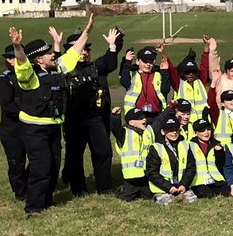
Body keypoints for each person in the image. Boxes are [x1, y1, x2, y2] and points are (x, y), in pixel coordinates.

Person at [8, 16, 94, 215]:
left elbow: (74, 53)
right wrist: (17, 46)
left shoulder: (57, 69)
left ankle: (46, 201)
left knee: (53, 165)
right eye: (48, 53)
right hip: (34, 129)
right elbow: (21, 62)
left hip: (53, 127)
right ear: (39, 59)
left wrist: (87, 31)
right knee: (41, 167)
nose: (53, 55)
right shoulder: (29, 76)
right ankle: (34, 207)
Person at [61, 25, 122, 196]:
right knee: (75, 154)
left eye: (87, 50)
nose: (85, 53)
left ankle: (104, 186)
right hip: (73, 118)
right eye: (81, 50)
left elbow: (110, 63)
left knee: (103, 150)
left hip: (93, 117)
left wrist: (112, 45)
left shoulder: (93, 67)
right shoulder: (64, 70)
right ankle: (78, 188)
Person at [0, 44, 28, 201]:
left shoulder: (29, 75)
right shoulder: (4, 80)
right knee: (17, 162)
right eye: (15, 57)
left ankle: (30, 184)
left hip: (29, 126)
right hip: (12, 129)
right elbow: (8, 106)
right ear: (9, 59)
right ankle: (21, 192)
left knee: (39, 159)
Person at [146, 115, 197, 205]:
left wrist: (184, 184)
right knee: (171, 203)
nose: (174, 133)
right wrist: (169, 187)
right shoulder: (156, 147)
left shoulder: (185, 145)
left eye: (176, 130)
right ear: (162, 131)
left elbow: (191, 167)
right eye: (170, 130)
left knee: (191, 201)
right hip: (163, 189)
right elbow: (152, 172)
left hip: (181, 187)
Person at [112, 107, 153, 201]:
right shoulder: (125, 134)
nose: (144, 120)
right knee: (127, 197)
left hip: (145, 175)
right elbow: (116, 129)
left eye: (144, 117)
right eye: (140, 118)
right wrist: (115, 117)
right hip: (131, 177)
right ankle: (121, 190)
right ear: (131, 123)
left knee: (148, 197)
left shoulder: (146, 132)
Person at [121, 43, 170, 120]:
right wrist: (127, 62)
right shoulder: (132, 74)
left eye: (150, 62)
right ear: (137, 61)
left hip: (156, 115)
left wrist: (165, 72)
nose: (148, 64)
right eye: (145, 61)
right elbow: (124, 82)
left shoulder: (158, 74)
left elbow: (166, 90)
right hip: (136, 115)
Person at [187, 119, 228, 199]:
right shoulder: (190, 146)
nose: (206, 132)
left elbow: (221, 165)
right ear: (195, 133)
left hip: (216, 180)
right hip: (199, 182)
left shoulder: (217, 144)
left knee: (227, 193)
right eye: (202, 130)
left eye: (208, 129)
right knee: (208, 195)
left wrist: (219, 153)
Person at [169, 50, 208, 126]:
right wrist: (164, 55)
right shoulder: (179, 84)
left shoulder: (200, 82)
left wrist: (206, 50)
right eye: (187, 72)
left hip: (203, 122)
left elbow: (204, 66)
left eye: (193, 72)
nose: (191, 74)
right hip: (185, 123)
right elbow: (172, 71)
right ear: (183, 73)